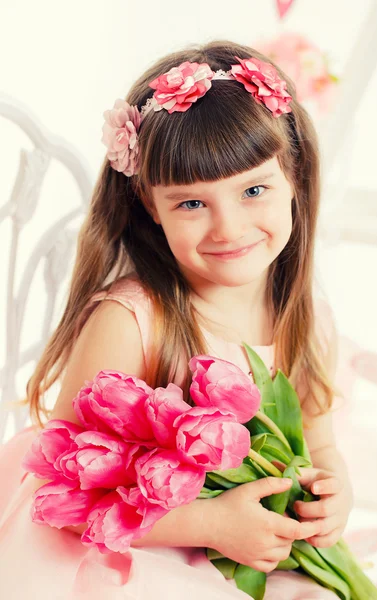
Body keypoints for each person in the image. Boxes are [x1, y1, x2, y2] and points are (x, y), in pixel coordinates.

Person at [0, 39, 353, 599]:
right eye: (191, 203)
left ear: (296, 180)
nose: (228, 229)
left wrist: (334, 494)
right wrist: (210, 525)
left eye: (254, 190)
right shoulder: (135, 320)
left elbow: (320, 444)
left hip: (235, 549)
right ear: (148, 202)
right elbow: (61, 493)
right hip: (125, 550)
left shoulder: (307, 320)